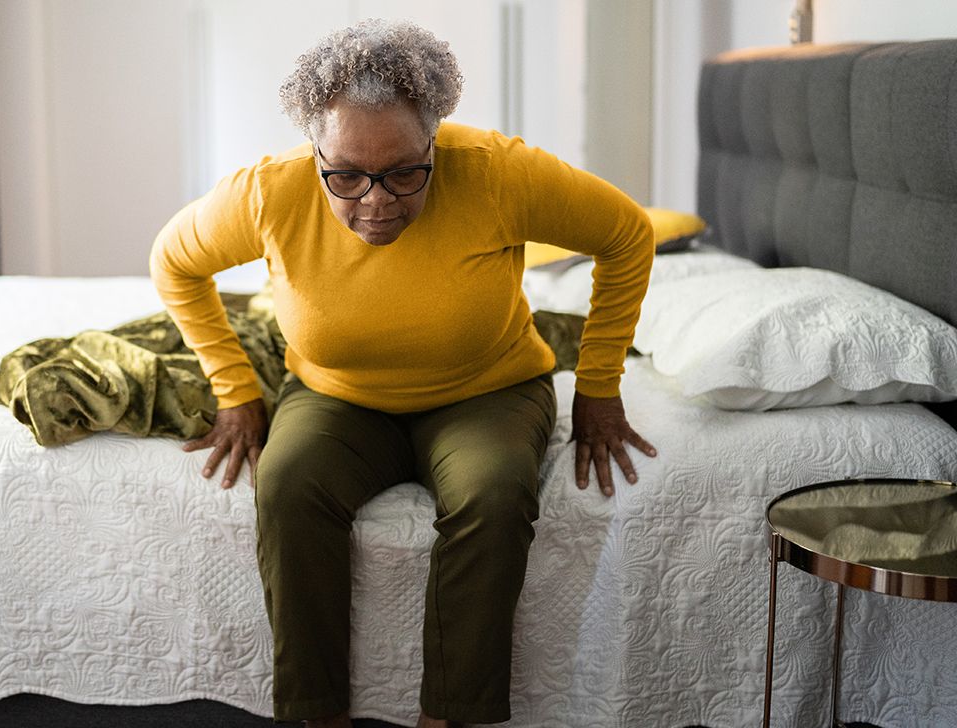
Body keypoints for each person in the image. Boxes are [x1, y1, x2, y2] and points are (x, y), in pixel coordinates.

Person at [150, 18, 657, 728]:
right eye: (346, 176)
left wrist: (600, 385)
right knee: (288, 483)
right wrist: (234, 390)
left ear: (434, 143)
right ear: (316, 151)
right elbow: (173, 261)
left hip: (488, 392)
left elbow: (628, 234)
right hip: (337, 395)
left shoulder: (498, 172)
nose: (376, 202)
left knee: (493, 492)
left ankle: (448, 716)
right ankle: (316, 713)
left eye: (403, 174)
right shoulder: (271, 193)